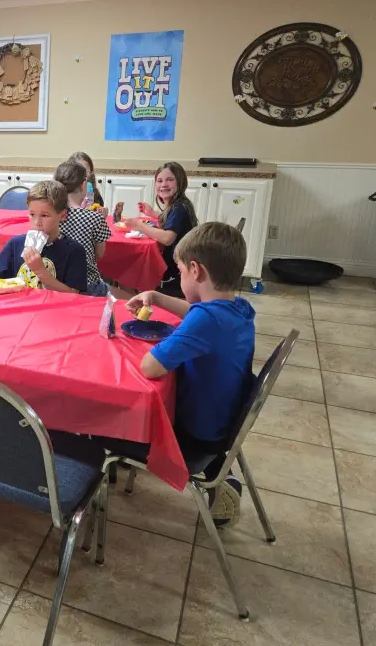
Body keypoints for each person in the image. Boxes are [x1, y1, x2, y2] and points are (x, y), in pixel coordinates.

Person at [126, 222, 254, 527]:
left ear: (195, 271)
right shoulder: (237, 308)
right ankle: (221, 474)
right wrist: (157, 297)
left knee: (107, 424)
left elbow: (150, 367)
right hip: (221, 427)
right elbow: (197, 313)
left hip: (193, 439)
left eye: (181, 271)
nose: (180, 276)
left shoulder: (207, 322)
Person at [0, 180, 87, 293]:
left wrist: (40, 271)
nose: (37, 222)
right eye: (32, 214)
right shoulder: (15, 244)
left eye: (44, 215)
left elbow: (73, 294)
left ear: (62, 215)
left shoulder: (74, 250)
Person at [126, 162, 197, 298]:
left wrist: (140, 226)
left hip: (176, 277)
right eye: (159, 181)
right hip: (179, 268)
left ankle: (129, 298)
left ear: (180, 182)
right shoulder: (180, 205)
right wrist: (153, 214)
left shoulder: (179, 208)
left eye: (169, 180)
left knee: (131, 268)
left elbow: (167, 238)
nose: (164, 184)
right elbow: (173, 222)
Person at [54, 160, 112, 296]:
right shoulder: (95, 218)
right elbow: (99, 255)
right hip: (88, 285)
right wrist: (101, 220)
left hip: (56, 283)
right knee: (124, 298)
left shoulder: (52, 215)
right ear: (83, 185)